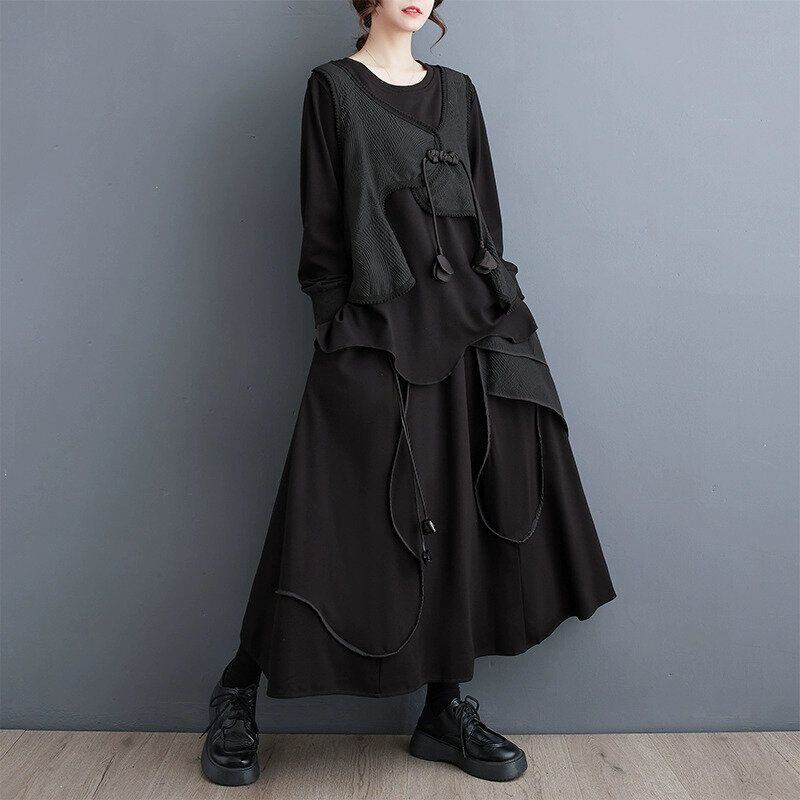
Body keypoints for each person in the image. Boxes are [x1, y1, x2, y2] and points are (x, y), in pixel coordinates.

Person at [199, 0, 616, 786]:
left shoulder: (459, 92)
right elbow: (324, 229)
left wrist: (503, 313)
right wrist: (340, 328)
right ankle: (236, 691)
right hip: (378, 327)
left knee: (459, 506)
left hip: (470, 325)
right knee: (328, 510)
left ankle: (443, 708)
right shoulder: (332, 88)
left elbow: (485, 219)